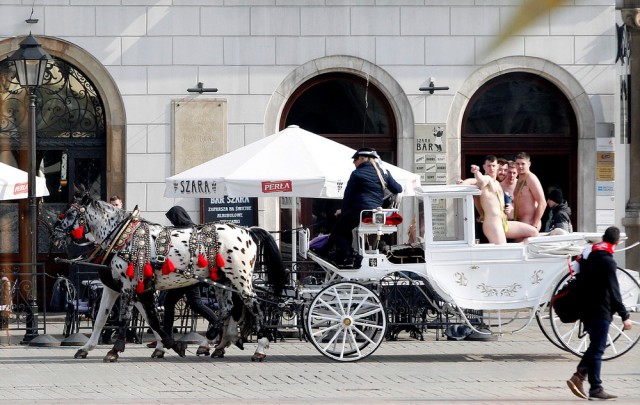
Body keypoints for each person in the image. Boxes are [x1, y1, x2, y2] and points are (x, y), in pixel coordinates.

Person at [566, 226, 632, 400]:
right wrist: (625, 315)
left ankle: (594, 385)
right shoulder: (608, 261)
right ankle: (585, 379)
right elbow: (614, 290)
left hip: (586, 308)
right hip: (600, 309)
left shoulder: (589, 255)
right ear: (616, 242)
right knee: (597, 349)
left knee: (595, 347)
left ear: (603, 238)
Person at [149, 206, 221, 355]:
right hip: (180, 277)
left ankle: (216, 322)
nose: (171, 222)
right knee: (172, 303)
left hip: (188, 276)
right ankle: (167, 335)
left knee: (194, 303)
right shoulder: (189, 231)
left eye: (172, 219)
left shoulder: (185, 233)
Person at [322, 147, 402, 266]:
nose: (353, 162)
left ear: (362, 158)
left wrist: (343, 211)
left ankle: (347, 254)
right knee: (344, 228)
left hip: (359, 211)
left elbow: (348, 196)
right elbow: (398, 189)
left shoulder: (357, 173)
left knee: (336, 232)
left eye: (355, 159)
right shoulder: (383, 172)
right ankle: (347, 254)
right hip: (374, 212)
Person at [459, 155, 537, 245]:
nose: (491, 168)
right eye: (489, 166)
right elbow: (478, 179)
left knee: (533, 232)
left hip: (503, 222)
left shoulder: (498, 183)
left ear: (497, 167)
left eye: (493, 166)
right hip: (492, 224)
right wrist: (474, 174)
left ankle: (515, 251)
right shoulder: (486, 179)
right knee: (502, 250)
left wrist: (508, 208)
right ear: (484, 167)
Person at [513, 152, 546, 231]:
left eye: (523, 164)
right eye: (517, 164)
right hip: (520, 222)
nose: (520, 166)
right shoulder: (519, 179)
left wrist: (534, 225)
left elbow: (542, 203)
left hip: (530, 222)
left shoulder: (531, 178)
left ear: (529, 164)